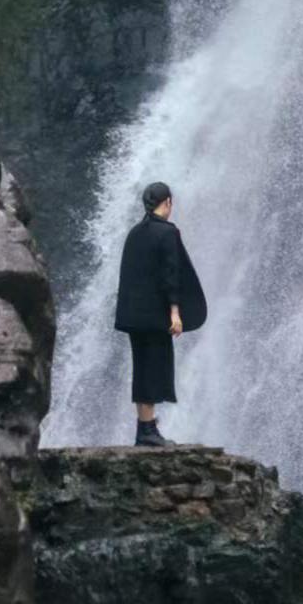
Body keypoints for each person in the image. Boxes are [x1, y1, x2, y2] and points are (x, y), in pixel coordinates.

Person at [114, 181, 207, 447]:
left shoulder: (134, 233)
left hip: (134, 317)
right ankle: (148, 431)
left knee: (142, 368)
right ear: (167, 202)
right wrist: (175, 313)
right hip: (155, 317)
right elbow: (170, 276)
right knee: (155, 368)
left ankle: (144, 429)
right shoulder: (167, 233)